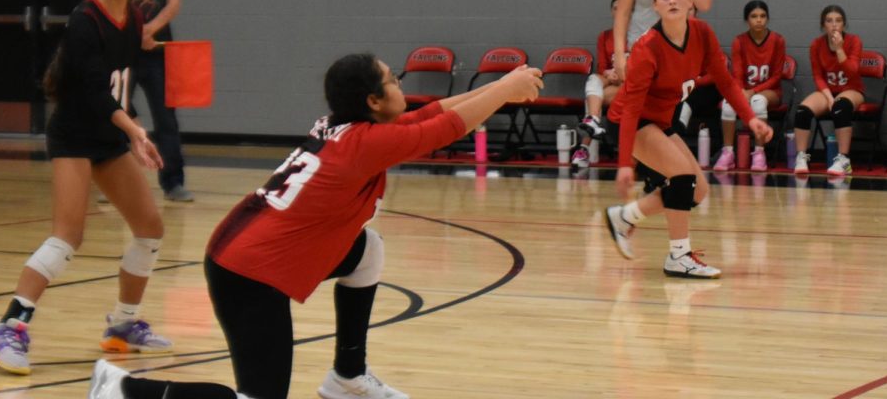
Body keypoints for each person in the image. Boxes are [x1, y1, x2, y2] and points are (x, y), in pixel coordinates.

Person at [87, 54, 544, 399]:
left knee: (366, 250)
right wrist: (505, 88)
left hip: (244, 250)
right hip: (248, 276)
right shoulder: (366, 144)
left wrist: (504, 85)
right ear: (373, 101)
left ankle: (347, 376)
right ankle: (125, 389)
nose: (401, 86)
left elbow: (430, 114)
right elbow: (446, 128)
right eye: (393, 80)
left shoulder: (349, 126)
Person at [0, 0, 171, 376]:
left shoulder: (136, 18)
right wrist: (135, 129)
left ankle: (122, 326)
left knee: (150, 228)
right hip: (74, 135)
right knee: (68, 237)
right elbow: (89, 88)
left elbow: (120, 83)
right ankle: (8, 326)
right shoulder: (86, 19)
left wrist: (131, 127)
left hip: (108, 135)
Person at [602, 0, 772, 279]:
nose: (672, 1)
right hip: (631, 120)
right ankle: (679, 255)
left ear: (691, 2)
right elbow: (630, 111)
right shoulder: (647, 48)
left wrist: (751, 119)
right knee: (681, 176)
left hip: (660, 121)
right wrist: (625, 163)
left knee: (698, 190)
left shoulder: (703, 34)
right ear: (654, 6)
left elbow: (726, 82)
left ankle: (625, 216)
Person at [125, 0, 192, 202]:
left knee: (166, 119)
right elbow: (113, 0)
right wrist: (135, 34)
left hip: (158, 52)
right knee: (116, 113)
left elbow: (173, 3)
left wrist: (150, 30)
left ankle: (173, 181)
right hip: (124, 52)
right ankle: (114, 175)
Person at [792, 5, 864, 177]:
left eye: (838, 21)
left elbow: (852, 72)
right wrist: (828, 97)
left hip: (851, 89)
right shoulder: (816, 44)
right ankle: (801, 157)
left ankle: (844, 159)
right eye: (829, 21)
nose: (834, 25)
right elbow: (818, 76)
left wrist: (839, 48)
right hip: (827, 91)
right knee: (802, 111)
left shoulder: (854, 41)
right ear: (823, 25)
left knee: (841, 107)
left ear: (844, 24)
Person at [715, 0, 785, 172]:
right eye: (754, 16)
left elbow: (776, 76)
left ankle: (759, 153)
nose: (759, 20)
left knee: (759, 101)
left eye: (762, 16)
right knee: (727, 104)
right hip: (744, 90)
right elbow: (737, 75)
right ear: (747, 20)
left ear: (767, 19)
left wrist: (752, 91)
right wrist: (740, 93)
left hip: (770, 92)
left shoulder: (777, 40)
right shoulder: (739, 41)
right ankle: (728, 153)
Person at [573, 0, 621, 168]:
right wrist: (608, 72)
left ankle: (583, 148)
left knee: (594, 98)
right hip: (611, 80)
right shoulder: (605, 36)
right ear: (611, 11)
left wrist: (623, 73)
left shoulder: (640, 35)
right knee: (593, 80)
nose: (619, 11)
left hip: (630, 83)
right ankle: (592, 120)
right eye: (616, 8)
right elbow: (601, 66)